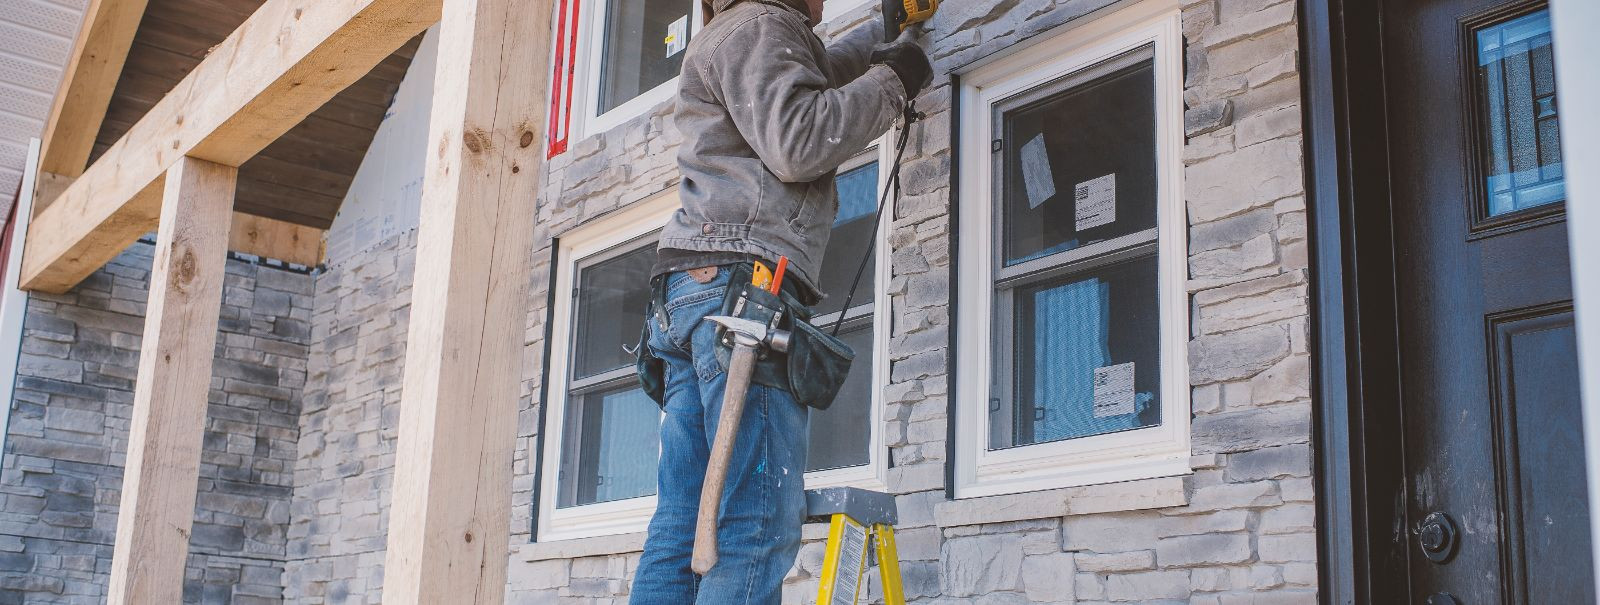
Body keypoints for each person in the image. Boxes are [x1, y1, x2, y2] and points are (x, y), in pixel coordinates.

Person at [628, 0, 932, 601]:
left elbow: (812, 81)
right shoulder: (762, 24)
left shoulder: (740, 34)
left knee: (683, 522)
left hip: (694, 296)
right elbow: (799, 138)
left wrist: (885, 29)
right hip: (744, 293)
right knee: (755, 521)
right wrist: (896, 81)